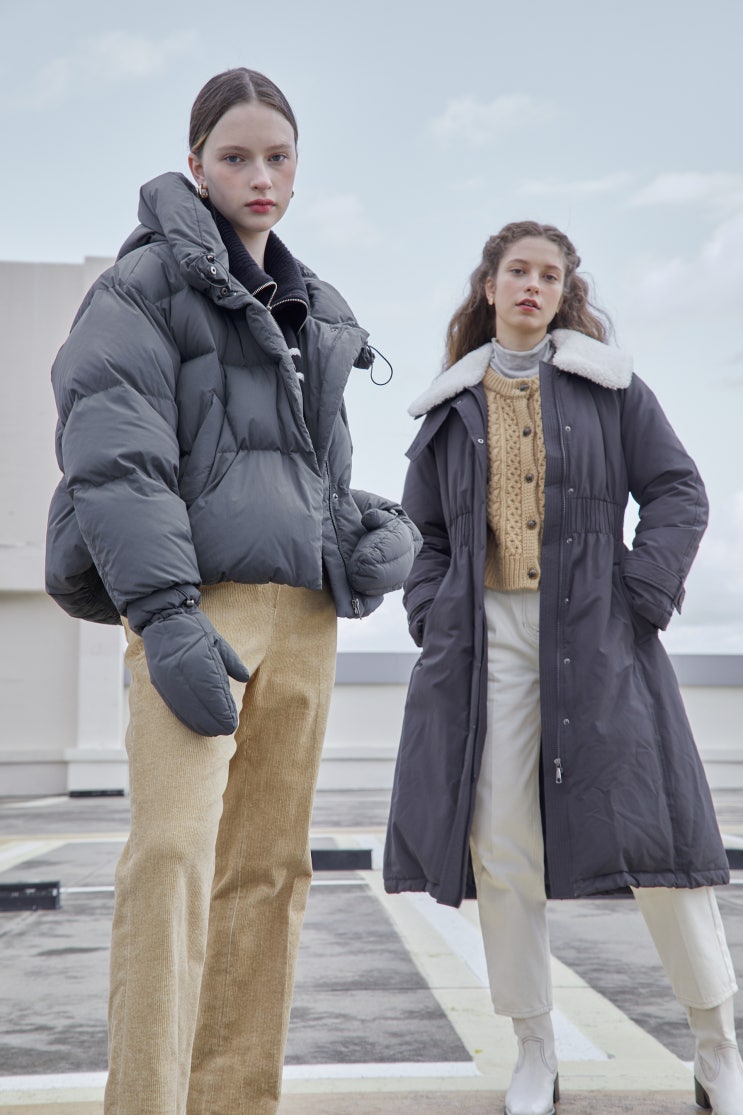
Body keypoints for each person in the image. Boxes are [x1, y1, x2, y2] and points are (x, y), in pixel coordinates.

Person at [45, 67, 421, 1115]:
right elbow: (117, 461)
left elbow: (299, 473)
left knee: (267, 872)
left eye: (278, 157)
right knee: (170, 857)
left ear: (297, 172)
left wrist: (358, 536)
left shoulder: (316, 308)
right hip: (193, 611)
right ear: (196, 164)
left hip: (301, 621)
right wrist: (164, 615)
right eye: (236, 156)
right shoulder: (140, 288)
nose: (260, 175)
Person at [383, 221, 742, 1115]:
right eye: (518, 271)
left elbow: (677, 491)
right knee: (501, 844)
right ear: (490, 285)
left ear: (564, 291)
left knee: (658, 841)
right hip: (486, 641)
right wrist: (431, 614)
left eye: (549, 275)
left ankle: (717, 1045)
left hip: (599, 631)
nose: (532, 286)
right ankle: (535, 1050)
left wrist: (640, 593)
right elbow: (423, 534)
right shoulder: (449, 408)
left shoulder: (610, 388)